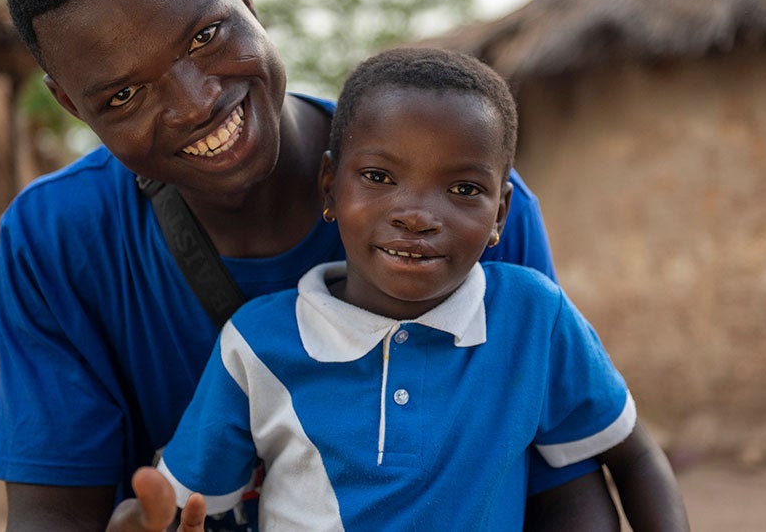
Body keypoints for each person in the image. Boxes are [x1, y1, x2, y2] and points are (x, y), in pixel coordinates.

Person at [0, 0, 623, 532]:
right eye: (121, 96)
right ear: (71, 105)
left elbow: (563, 487)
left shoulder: (466, 218)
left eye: (205, 35)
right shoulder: (57, 240)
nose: (194, 102)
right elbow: (53, 509)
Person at [152, 47, 689, 531]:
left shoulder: (532, 318)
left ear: (500, 213)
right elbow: (187, 502)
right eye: (380, 177)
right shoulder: (257, 342)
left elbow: (634, 457)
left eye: (463, 189)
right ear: (330, 187)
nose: (416, 216)